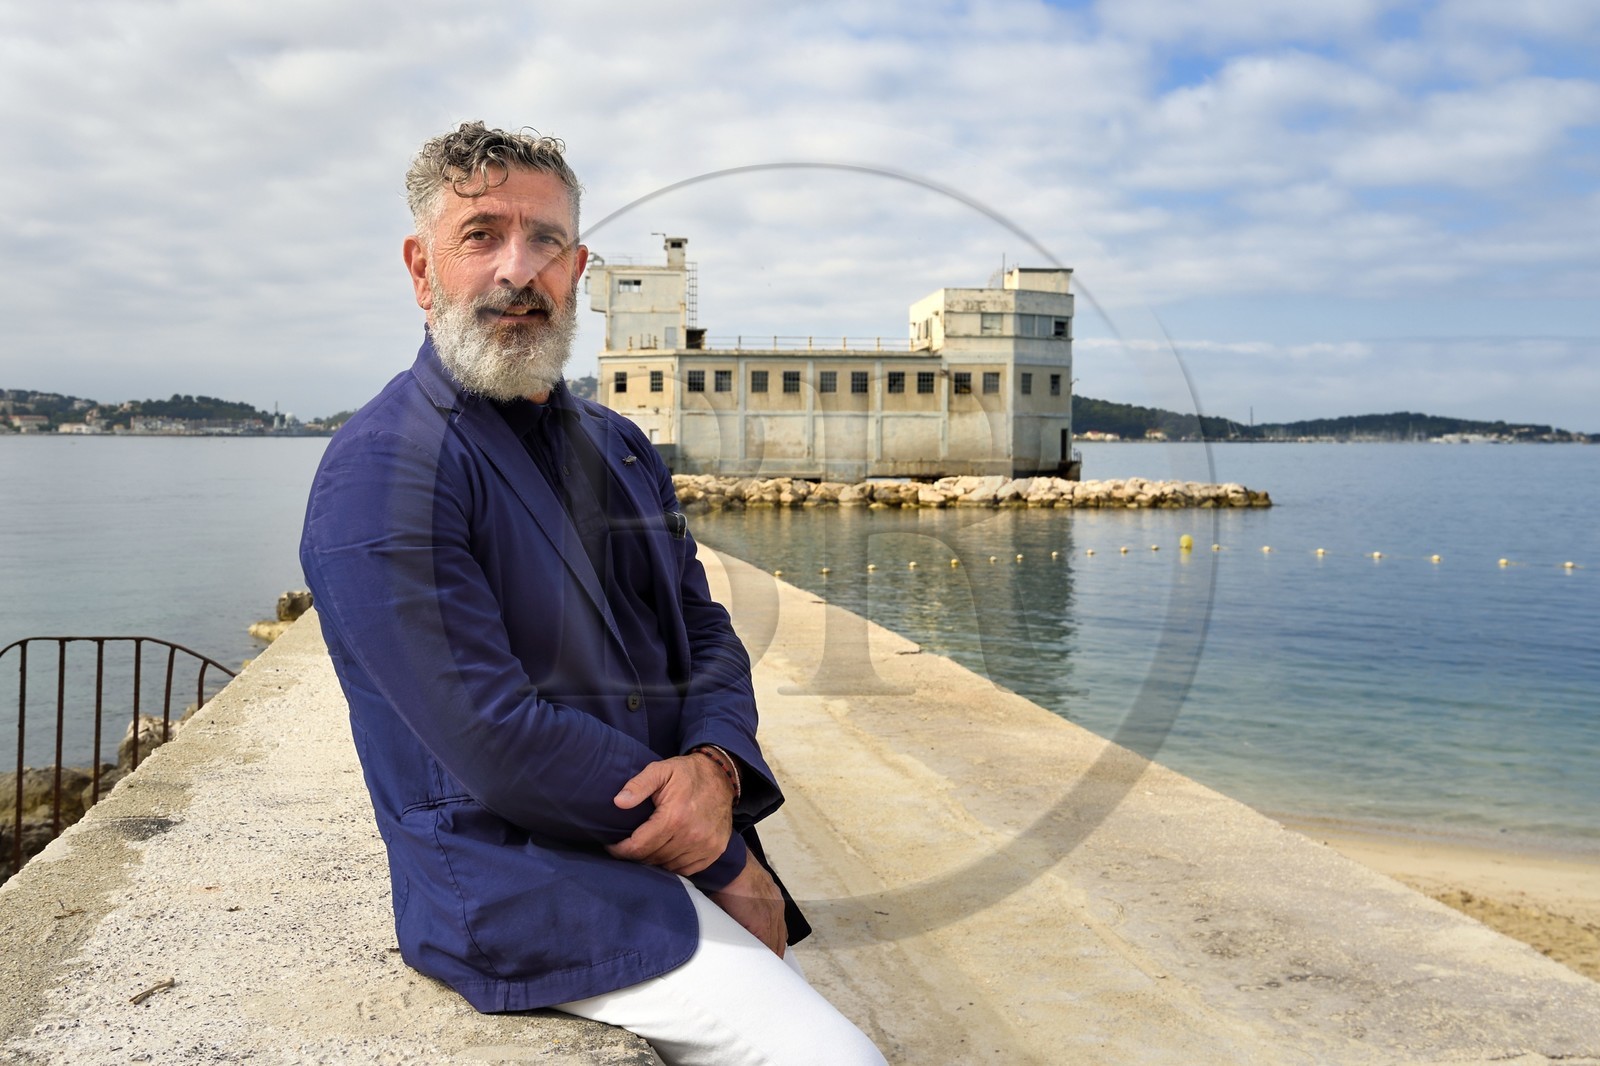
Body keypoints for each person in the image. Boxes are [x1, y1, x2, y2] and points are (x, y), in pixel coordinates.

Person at [299, 122, 884, 1064]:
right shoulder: (382, 470)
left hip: (661, 838)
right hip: (516, 877)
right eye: (481, 235)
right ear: (422, 269)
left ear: (579, 270)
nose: (517, 270)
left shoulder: (619, 446)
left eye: (547, 243)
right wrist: (720, 850)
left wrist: (718, 769)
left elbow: (705, 630)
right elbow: (493, 735)